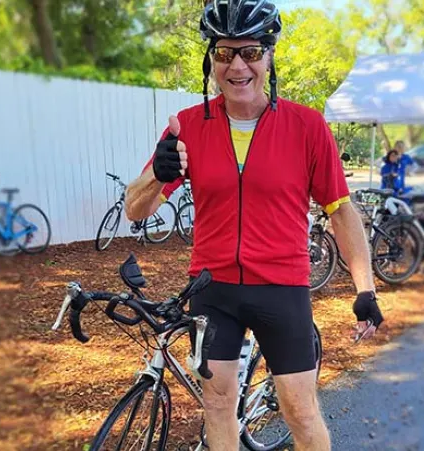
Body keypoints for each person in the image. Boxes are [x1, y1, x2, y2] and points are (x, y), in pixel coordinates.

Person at [124, 1, 384, 449]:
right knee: (218, 403)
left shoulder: (307, 125)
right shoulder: (186, 126)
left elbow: (340, 211)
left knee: (300, 410)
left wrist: (365, 289)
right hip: (212, 289)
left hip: (281, 289)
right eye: (224, 54)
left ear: (269, 57)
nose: (237, 65)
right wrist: (157, 173)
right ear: (211, 61)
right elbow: (136, 210)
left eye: (250, 52)